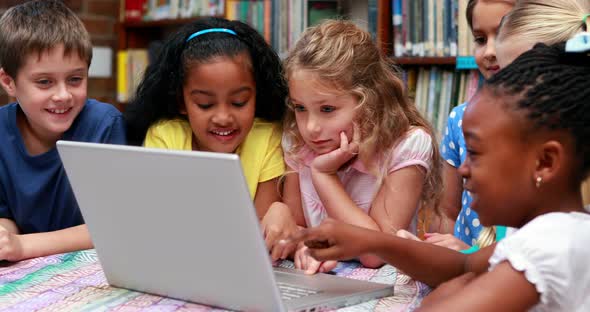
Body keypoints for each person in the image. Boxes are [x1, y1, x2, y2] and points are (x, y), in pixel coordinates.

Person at [290, 41, 590, 311]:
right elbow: (463, 265)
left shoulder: (552, 246)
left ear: (546, 162)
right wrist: (373, 241)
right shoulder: (549, 232)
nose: (462, 169)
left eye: (475, 153)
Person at [270, 20, 442, 274]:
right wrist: (307, 248)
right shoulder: (299, 144)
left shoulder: (407, 145)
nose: (311, 127)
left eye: (327, 109)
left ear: (369, 101)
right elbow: (298, 229)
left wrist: (324, 175)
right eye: (300, 108)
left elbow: (376, 254)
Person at [124, 17, 288, 222]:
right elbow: (156, 216)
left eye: (239, 102)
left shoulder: (267, 138)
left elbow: (260, 230)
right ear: (181, 102)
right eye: (205, 104)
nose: (223, 118)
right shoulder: (165, 135)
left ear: (257, 96)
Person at [0, 0, 126, 261]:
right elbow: (6, 217)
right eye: (44, 82)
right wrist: (4, 236)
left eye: (75, 79)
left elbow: (113, 228)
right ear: (8, 82)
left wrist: (21, 246)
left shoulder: (105, 125)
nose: (63, 95)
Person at [433, 0, 516, 251]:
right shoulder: (459, 119)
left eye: (503, 35)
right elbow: (447, 212)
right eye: (480, 39)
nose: (489, 51)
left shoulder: (550, 125)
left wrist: (468, 256)